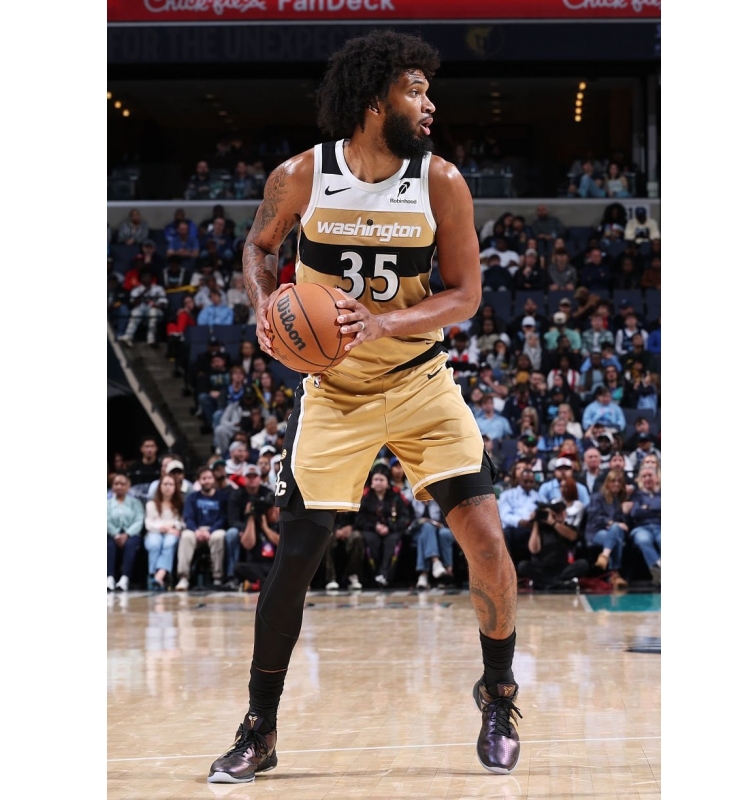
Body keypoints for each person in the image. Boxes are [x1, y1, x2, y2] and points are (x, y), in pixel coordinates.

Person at [207, 31, 523, 785]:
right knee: (297, 557)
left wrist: (383, 323)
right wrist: (263, 305)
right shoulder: (303, 175)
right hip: (335, 392)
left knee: (485, 537)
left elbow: (465, 296)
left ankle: (499, 694)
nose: (430, 102)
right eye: (416, 89)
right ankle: (260, 726)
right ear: (376, 101)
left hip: (419, 382)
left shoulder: (441, 181)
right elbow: (259, 248)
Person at [356, 463, 413, 587]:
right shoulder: (365, 497)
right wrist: (375, 526)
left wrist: (390, 527)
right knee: (371, 540)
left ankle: (385, 574)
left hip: (392, 530)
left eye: (381, 480)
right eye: (376, 479)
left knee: (392, 541)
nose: (378, 483)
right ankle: (374, 574)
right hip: (371, 530)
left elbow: (405, 517)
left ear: (387, 482)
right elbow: (360, 518)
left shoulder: (396, 496)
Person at [225, 463, 278, 590]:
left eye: (255, 476)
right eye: (249, 476)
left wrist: (265, 528)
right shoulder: (237, 495)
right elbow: (248, 544)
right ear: (244, 479)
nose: (252, 479)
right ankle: (266, 582)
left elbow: (281, 542)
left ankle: (261, 583)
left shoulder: (277, 523)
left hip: (274, 564)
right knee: (239, 567)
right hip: (256, 565)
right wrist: (251, 517)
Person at [516, 499, 588, 590]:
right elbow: (534, 550)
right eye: (555, 512)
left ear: (565, 514)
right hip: (541, 569)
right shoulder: (540, 529)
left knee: (583, 564)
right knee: (523, 565)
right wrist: (536, 523)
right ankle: (559, 584)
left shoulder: (568, 528)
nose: (558, 515)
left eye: (560, 512)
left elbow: (573, 536)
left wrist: (553, 523)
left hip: (562, 569)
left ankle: (547, 584)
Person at [176, 466, 228, 591]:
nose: (207, 481)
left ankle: (217, 577)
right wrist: (196, 530)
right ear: (199, 481)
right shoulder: (192, 497)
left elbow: (223, 518)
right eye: (204, 478)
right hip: (196, 530)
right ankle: (183, 577)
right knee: (186, 536)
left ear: (213, 479)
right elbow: (188, 517)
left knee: (219, 537)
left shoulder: (222, 497)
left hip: (214, 530)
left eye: (209, 478)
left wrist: (210, 531)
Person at [584, 470, 632, 586]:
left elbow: (625, 525)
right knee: (616, 536)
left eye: (619, 482)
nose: (616, 484)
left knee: (616, 532)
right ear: (607, 483)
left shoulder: (621, 500)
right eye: (613, 481)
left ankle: (604, 556)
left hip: (615, 532)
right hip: (596, 532)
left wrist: (625, 513)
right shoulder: (597, 498)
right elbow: (594, 518)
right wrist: (611, 523)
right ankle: (615, 574)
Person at [144, 474, 185, 590]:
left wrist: (173, 527)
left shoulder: (179, 505)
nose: (168, 487)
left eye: (171, 484)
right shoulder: (151, 504)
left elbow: (181, 523)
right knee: (155, 543)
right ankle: (153, 574)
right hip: (154, 532)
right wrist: (165, 527)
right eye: (165, 484)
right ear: (160, 486)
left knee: (169, 542)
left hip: (172, 533)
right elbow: (149, 524)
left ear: (175, 487)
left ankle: (159, 575)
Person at [107, 472, 145, 592]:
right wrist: (115, 534)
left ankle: (125, 578)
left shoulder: (135, 503)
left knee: (131, 545)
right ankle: (109, 577)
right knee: (109, 545)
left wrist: (127, 534)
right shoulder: (107, 503)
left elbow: (139, 520)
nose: (119, 486)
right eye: (116, 484)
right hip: (112, 533)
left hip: (131, 534)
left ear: (128, 486)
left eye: (122, 484)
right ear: (112, 486)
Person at [497, 466, 539, 567]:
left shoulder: (538, 496)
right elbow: (504, 515)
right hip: (515, 528)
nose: (529, 484)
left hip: (533, 528)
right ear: (519, 480)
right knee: (506, 533)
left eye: (531, 482)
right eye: (526, 481)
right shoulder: (508, 495)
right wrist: (520, 521)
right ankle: (507, 567)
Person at [626, 465, 662, 586]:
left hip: (660, 526)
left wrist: (647, 507)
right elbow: (635, 513)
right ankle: (659, 568)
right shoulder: (637, 495)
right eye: (644, 476)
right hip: (641, 528)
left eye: (650, 475)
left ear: (656, 477)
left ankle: (659, 572)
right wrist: (656, 510)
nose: (647, 479)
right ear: (641, 480)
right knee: (643, 540)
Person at [118, 268, 169, 348]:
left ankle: (151, 339)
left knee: (153, 313)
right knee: (135, 313)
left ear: (151, 278)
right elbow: (133, 302)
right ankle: (128, 336)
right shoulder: (137, 289)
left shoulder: (158, 288)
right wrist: (144, 292)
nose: (146, 278)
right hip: (141, 309)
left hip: (156, 310)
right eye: (144, 277)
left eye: (148, 276)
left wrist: (156, 305)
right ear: (141, 278)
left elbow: (164, 302)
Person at [411, 497, 455, 590]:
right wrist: (422, 522)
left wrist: (436, 524)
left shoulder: (439, 501)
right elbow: (409, 520)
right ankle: (435, 562)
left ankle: (425, 575)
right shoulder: (413, 502)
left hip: (438, 529)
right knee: (427, 529)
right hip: (418, 531)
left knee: (444, 534)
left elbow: (447, 519)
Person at [324, 512, 365, 591]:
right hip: (332, 529)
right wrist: (335, 530)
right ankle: (331, 578)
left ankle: (352, 575)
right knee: (327, 538)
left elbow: (361, 519)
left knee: (357, 537)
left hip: (351, 529)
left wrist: (351, 527)